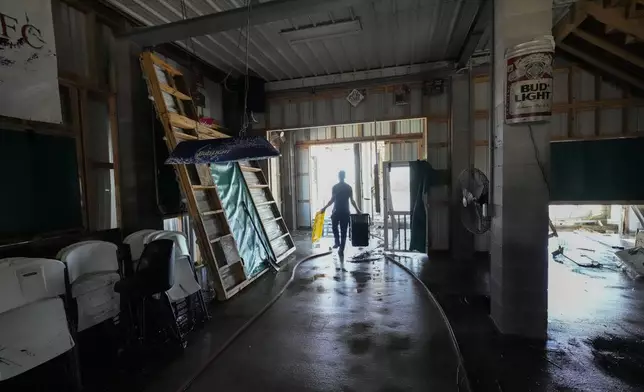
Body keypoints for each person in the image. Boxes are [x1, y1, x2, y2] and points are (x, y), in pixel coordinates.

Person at [320, 170, 361, 256]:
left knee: (338, 229)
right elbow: (351, 201)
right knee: (342, 230)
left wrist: (357, 210)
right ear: (343, 176)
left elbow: (332, 200)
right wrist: (357, 210)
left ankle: (339, 245)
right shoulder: (347, 187)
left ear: (339, 176)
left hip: (339, 211)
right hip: (343, 211)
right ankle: (339, 245)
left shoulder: (338, 187)